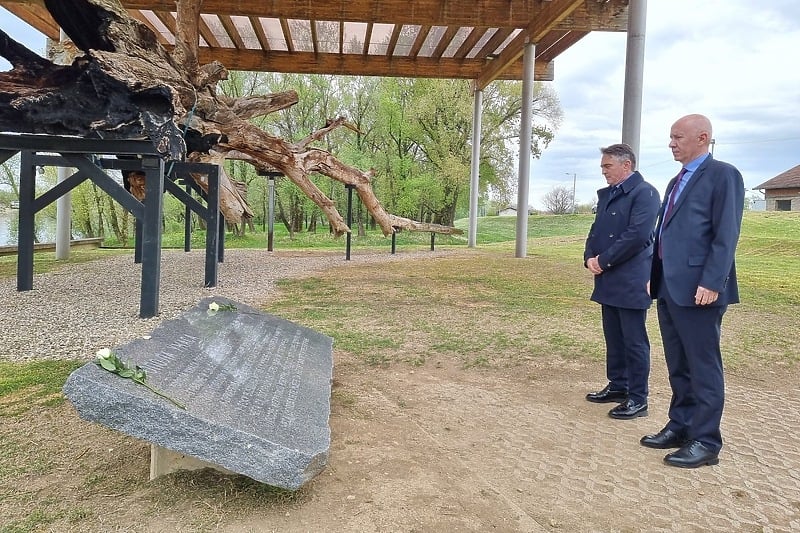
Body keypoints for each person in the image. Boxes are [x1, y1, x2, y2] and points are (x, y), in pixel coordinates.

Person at [641, 114, 744, 468]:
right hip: (670, 287)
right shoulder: (675, 181)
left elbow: (725, 234)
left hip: (701, 290)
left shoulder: (723, 175)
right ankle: (681, 425)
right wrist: (654, 276)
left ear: (702, 138)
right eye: (670, 137)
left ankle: (706, 441)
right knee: (678, 363)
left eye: (677, 137)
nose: (671, 143)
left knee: (703, 366)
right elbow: (666, 234)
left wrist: (712, 282)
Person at [584, 143, 660, 419]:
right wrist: (589, 256)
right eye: (603, 166)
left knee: (634, 340)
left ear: (626, 165)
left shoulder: (645, 193)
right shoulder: (610, 195)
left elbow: (637, 235)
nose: (603, 171)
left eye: (607, 166)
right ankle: (618, 385)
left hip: (631, 277)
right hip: (608, 277)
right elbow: (596, 229)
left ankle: (638, 397)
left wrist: (603, 261)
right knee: (614, 337)